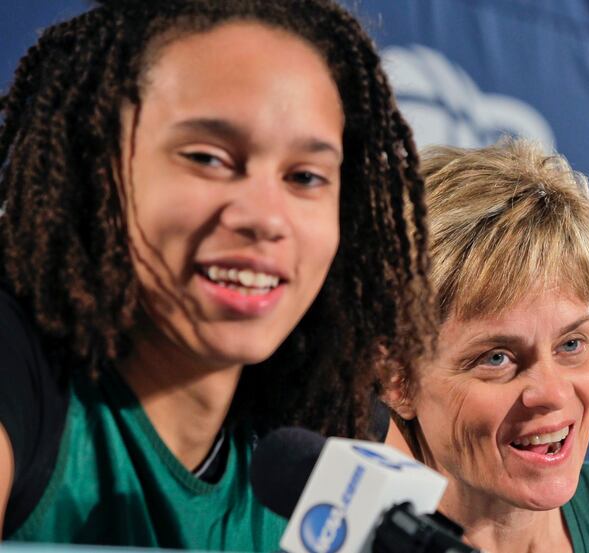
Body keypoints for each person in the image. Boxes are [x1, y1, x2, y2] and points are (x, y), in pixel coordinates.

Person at [0, 0, 433, 548]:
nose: (265, 218)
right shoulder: (17, 359)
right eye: (207, 158)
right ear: (97, 167)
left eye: (304, 176)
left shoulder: (330, 412)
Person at [384, 140, 589, 553]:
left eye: (571, 344)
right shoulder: (327, 535)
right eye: (497, 358)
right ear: (397, 380)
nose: (553, 394)